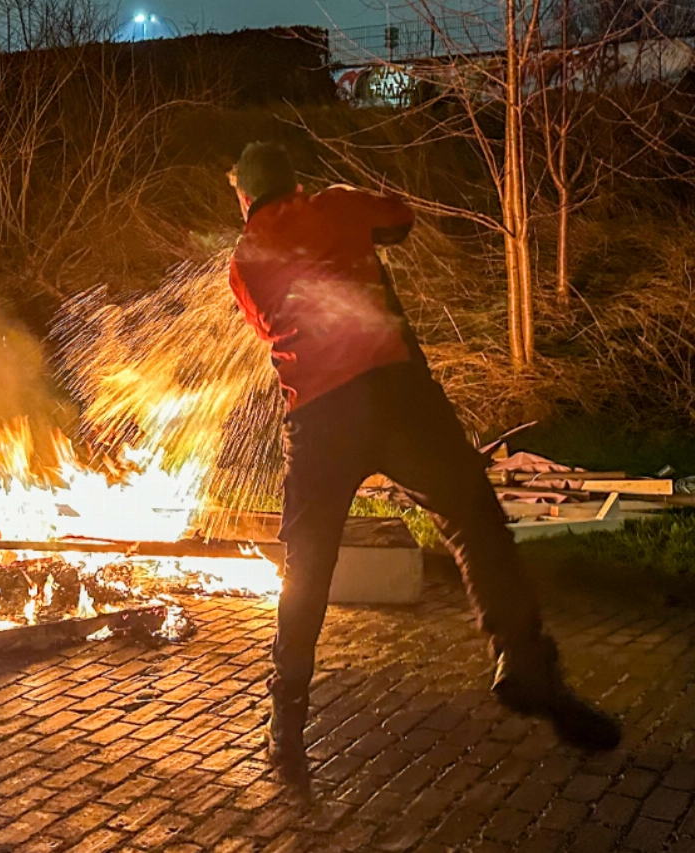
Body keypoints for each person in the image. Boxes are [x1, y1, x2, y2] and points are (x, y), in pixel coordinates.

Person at [226, 141, 621, 783]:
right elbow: (401, 220)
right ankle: (525, 662)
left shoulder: (242, 260)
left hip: (319, 420)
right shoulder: (335, 205)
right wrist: (345, 205)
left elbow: (267, 327)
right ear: (295, 181)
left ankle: (285, 724)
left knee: (307, 568)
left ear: (245, 197)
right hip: (397, 396)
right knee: (471, 516)